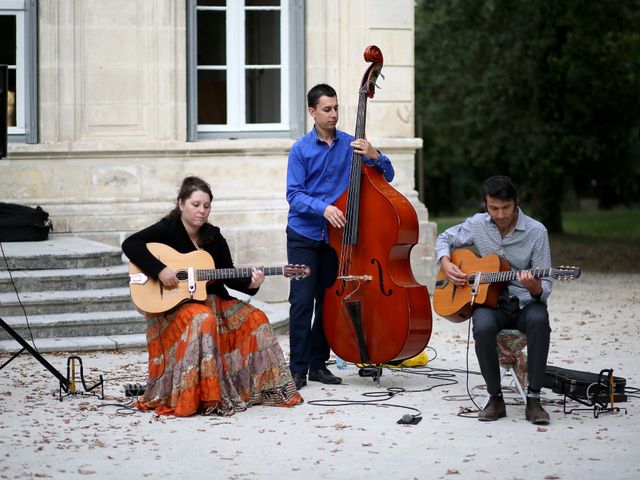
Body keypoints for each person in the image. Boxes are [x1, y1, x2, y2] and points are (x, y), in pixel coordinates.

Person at [122, 176, 302, 417]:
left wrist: (252, 283)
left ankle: (260, 390)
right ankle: (204, 396)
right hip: (177, 306)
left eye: (206, 206)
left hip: (214, 300)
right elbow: (131, 244)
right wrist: (160, 270)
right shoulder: (167, 229)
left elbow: (228, 273)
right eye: (196, 204)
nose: (202, 211)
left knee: (256, 318)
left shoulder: (213, 236)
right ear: (181, 204)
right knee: (203, 319)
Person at [286, 83, 395, 390]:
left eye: (336, 108)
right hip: (304, 235)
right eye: (326, 109)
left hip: (337, 240)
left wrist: (375, 155)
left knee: (328, 301)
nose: (333, 115)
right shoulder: (300, 150)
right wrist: (323, 209)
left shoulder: (351, 145)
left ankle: (319, 365)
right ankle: (298, 369)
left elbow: (387, 176)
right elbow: (293, 195)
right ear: (312, 112)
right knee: (302, 302)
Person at [434, 175, 552, 424]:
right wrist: (447, 263)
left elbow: (546, 285)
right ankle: (495, 398)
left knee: (540, 320)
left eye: (505, 208)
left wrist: (535, 288)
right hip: (491, 302)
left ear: (516, 203)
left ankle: (534, 399)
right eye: (493, 208)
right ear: (486, 205)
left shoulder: (536, 232)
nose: (499, 214)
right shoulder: (478, 224)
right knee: (483, 326)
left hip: (524, 303)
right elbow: (444, 238)